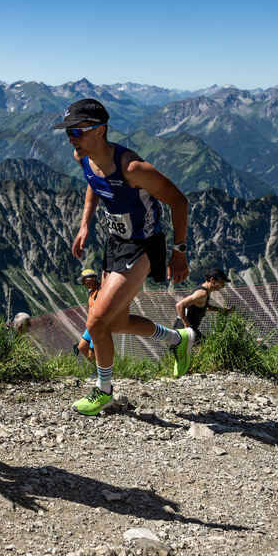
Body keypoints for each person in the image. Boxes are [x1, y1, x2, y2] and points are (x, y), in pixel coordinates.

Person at [57, 98, 196, 416]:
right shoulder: (85, 156)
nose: (71, 138)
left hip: (143, 246)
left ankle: (103, 390)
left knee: (97, 322)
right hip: (115, 243)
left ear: (100, 131)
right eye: (68, 132)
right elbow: (94, 184)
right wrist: (84, 225)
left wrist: (179, 252)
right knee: (115, 322)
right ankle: (178, 339)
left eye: (77, 131)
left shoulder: (132, 168)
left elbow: (179, 202)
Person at [173, 268, 232, 343]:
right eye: (221, 282)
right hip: (183, 328)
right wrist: (186, 324)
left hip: (188, 328)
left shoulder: (205, 291)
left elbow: (206, 307)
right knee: (208, 348)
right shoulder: (202, 293)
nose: (223, 285)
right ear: (212, 280)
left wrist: (222, 310)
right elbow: (179, 305)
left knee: (204, 349)